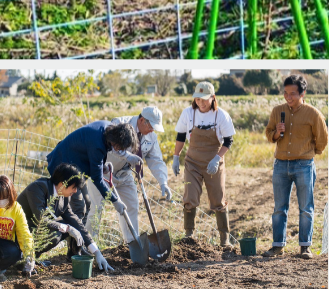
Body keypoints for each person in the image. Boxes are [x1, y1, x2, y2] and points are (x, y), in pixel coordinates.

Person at [262, 74, 328, 259]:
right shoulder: (277, 111)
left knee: (306, 207)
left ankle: (305, 247)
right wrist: (277, 133)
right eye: (285, 93)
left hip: (304, 165)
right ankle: (277, 246)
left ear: (302, 93)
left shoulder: (313, 114)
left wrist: (310, 153)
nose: (288, 97)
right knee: (279, 208)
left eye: (292, 94)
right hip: (281, 165)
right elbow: (268, 133)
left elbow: (322, 139)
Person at [45, 121, 139, 242]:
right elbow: (97, 179)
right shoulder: (98, 143)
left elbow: (87, 153)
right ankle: (54, 239)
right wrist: (115, 200)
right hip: (62, 169)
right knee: (74, 209)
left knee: (77, 209)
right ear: (116, 141)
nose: (119, 150)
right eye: (120, 147)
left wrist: (102, 165)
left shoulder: (105, 128)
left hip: (72, 168)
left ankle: (75, 247)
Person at [172, 82, 237, 249]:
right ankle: (189, 235)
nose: (201, 102)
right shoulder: (188, 113)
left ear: (213, 98)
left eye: (205, 99)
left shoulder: (220, 115)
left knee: (218, 199)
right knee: (190, 197)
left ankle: (225, 239)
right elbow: (180, 136)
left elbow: (229, 140)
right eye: (198, 99)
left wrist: (217, 159)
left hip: (214, 161)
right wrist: (175, 157)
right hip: (192, 162)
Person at [16, 163, 112, 273]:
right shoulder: (38, 188)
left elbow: (75, 222)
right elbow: (40, 220)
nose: (76, 191)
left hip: (34, 232)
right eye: (74, 187)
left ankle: (34, 258)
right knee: (57, 233)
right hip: (19, 233)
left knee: (70, 226)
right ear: (63, 183)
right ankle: (23, 260)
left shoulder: (64, 197)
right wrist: (68, 228)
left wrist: (97, 253)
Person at [107, 106, 173, 244]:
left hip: (125, 174)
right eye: (151, 126)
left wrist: (163, 182)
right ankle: (88, 249)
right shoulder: (118, 124)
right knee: (95, 209)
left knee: (132, 206)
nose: (153, 130)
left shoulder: (151, 136)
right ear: (142, 120)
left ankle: (132, 244)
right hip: (104, 172)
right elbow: (110, 147)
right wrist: (127, 156)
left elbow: (156, 160)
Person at [0, 175, 34, 285]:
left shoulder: (16, 209)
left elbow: (24, 233)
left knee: (15, 252)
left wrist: (29, 255)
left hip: (4, 245)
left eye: (4, 197)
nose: (1, 201)